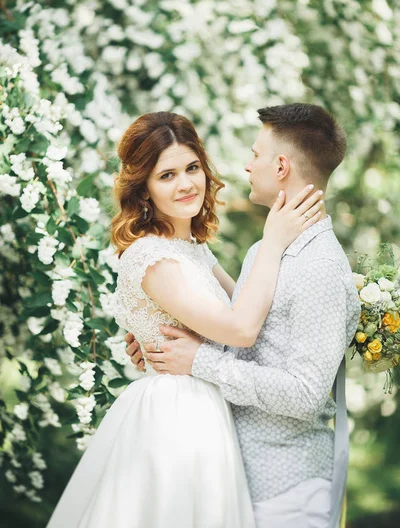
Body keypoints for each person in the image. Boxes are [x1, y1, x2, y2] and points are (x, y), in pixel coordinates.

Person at [47, 111, 322, 528]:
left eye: (192, 168)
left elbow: (252, 316)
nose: (186, 183)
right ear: (144, 189)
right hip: (173, 417)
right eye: (167, 175)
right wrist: (274, 240)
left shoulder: (192, 250)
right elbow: (241, 330)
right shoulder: (150, 256)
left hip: (205, 411)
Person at [126, 104, 361, 528]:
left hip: (287, 486)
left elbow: (306, 394)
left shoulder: (319, 266)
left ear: (282, 165)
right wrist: (158, 337)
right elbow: (234, 334)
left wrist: (199, 361)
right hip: (231, 472)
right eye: (167, 175)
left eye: (255, 154)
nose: (247, 165)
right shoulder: (263, 251)